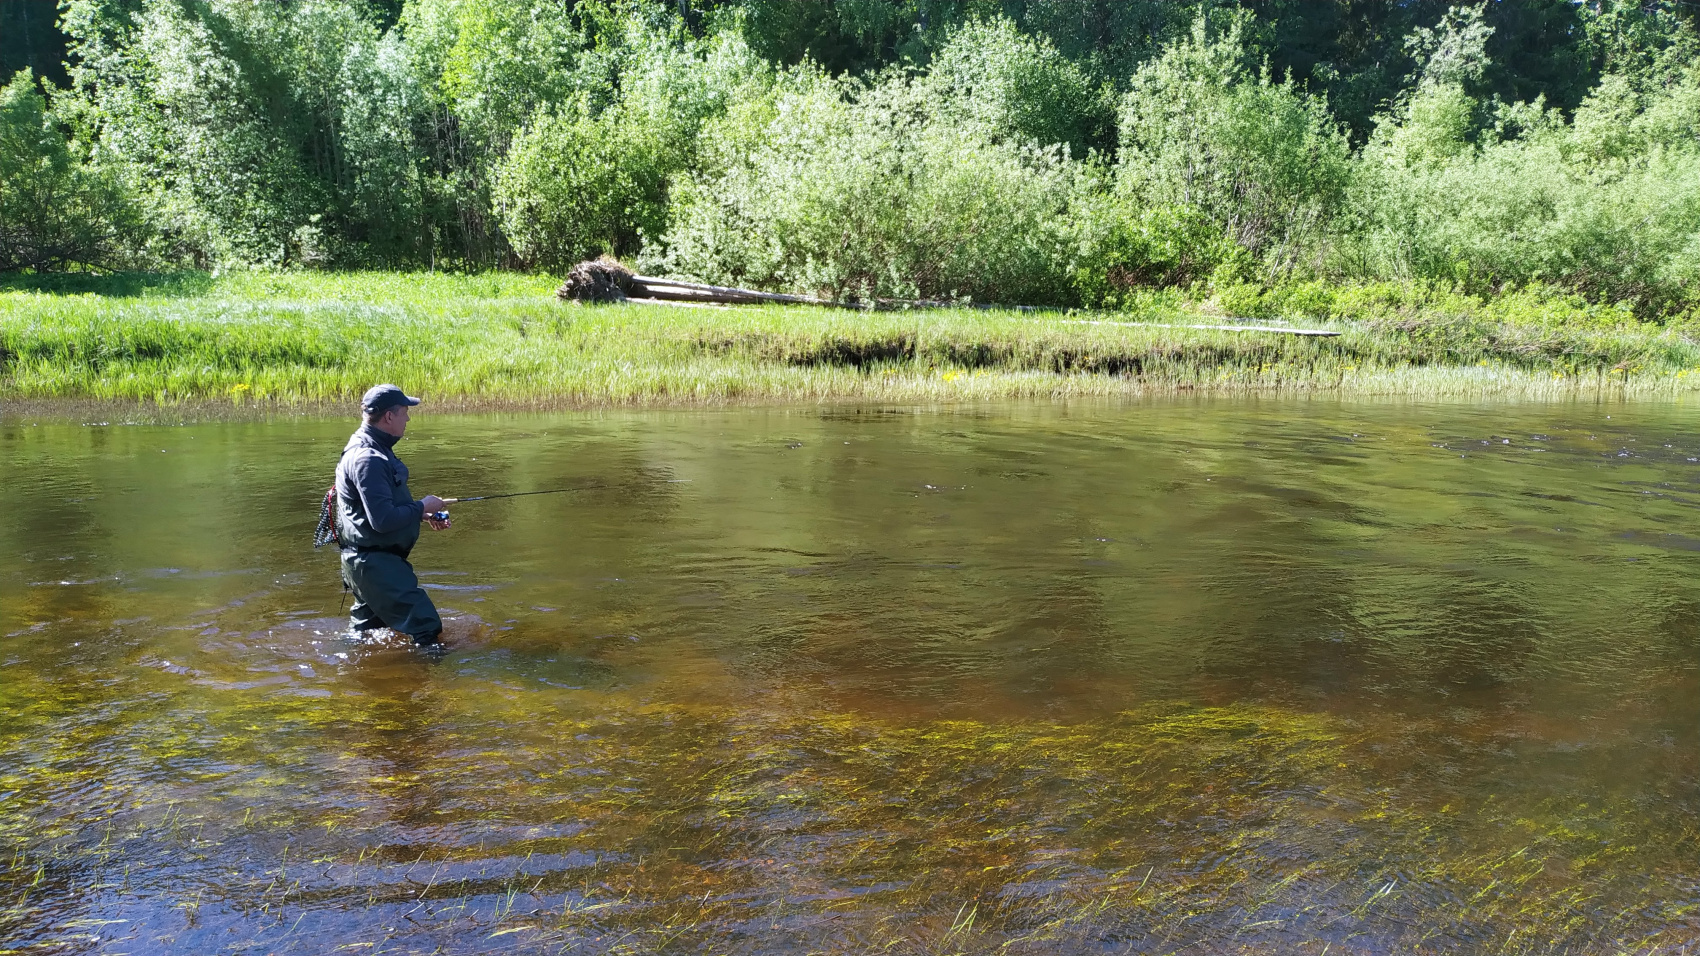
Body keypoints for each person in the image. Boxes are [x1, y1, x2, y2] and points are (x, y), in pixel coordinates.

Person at [334, 384, 452, 645]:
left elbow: (374, 510)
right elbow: (383, 520)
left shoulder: (370, 448)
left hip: (367, 563)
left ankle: (353, 678)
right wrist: (422, 506)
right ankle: (437, 684)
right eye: (404, 413)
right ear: (389, 416)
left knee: (365, 634)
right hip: (376, 565)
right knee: (426, 625)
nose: (408, 419)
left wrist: (421, 515)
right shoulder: (368, 458)